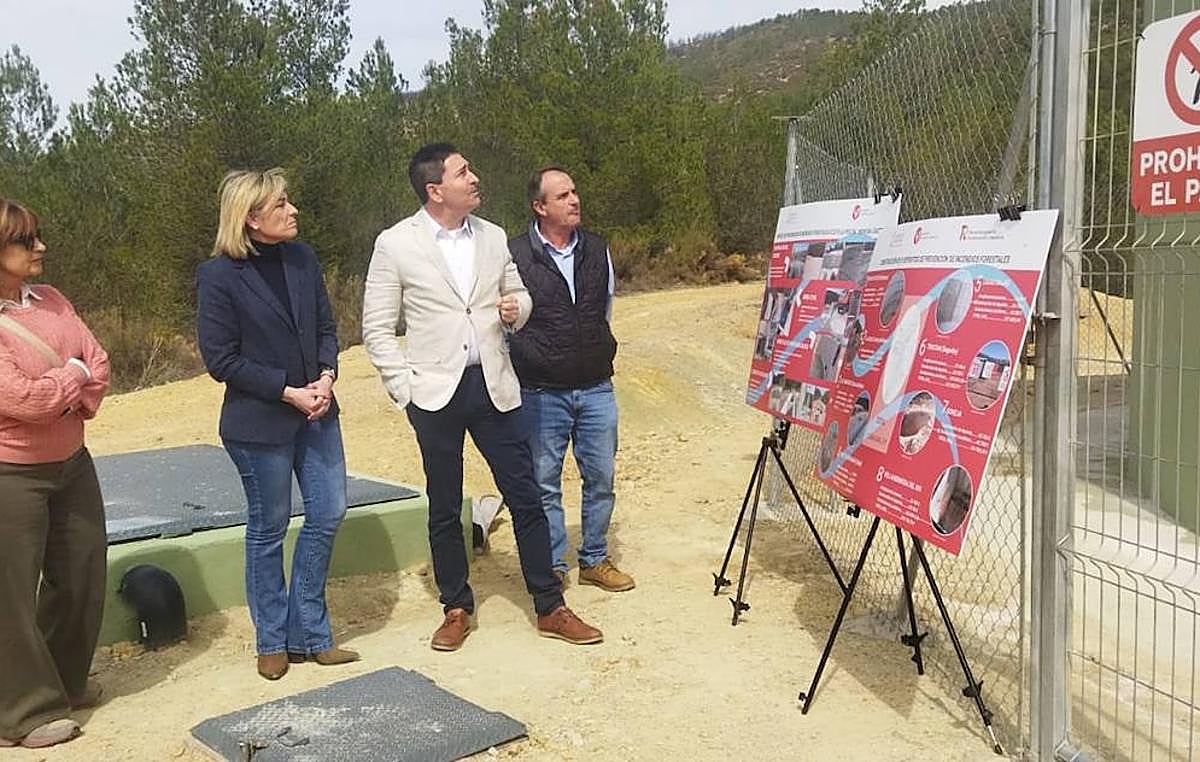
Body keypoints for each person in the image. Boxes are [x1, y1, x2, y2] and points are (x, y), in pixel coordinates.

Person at [362, 143, 602, 651]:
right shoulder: (395, 244)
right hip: (434, 393)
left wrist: (519, 309)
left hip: (494, 385)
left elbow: (521, 295)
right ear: (435, 190)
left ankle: (549, 604)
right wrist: (404, 387)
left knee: (526, 495)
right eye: (462, 172)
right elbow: (376, 329)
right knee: (445, 504)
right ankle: (456, 607)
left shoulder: (493, 237)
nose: (474, 178)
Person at [196, 169, 358, 681]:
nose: (293, 212)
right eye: (281, 205)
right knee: (268, 528)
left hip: (318, 410)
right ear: (251, 218)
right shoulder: (218, 276)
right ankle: (272, 641)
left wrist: (327, 377)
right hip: (260, 421)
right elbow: (221, 359)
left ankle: (309, 634)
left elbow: (327, 328)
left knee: (329, 512)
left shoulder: (302, 258)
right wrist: (287, 390)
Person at [0, 199, 110, 749]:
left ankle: (62, 682)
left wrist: (64, 386)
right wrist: (71, 379)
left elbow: (100, 360)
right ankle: (20, 712)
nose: (40, 247)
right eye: (26, 241)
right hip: (10, 471)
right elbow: (19, 398)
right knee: (12, 593)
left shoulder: (52, 299)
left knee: (83, 571)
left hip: (71, 460)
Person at [507, 167, 633, 592]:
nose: (574, 200)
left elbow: (605, 310)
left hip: (597, 386)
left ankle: (594, 558)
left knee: (601, 477)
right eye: (562, 196)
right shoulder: (515, 254)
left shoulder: (596, 249)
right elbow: (507, 321)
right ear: (540, 207)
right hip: (541, 392)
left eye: (574, 192)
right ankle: (554, 564)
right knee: (545, 482)